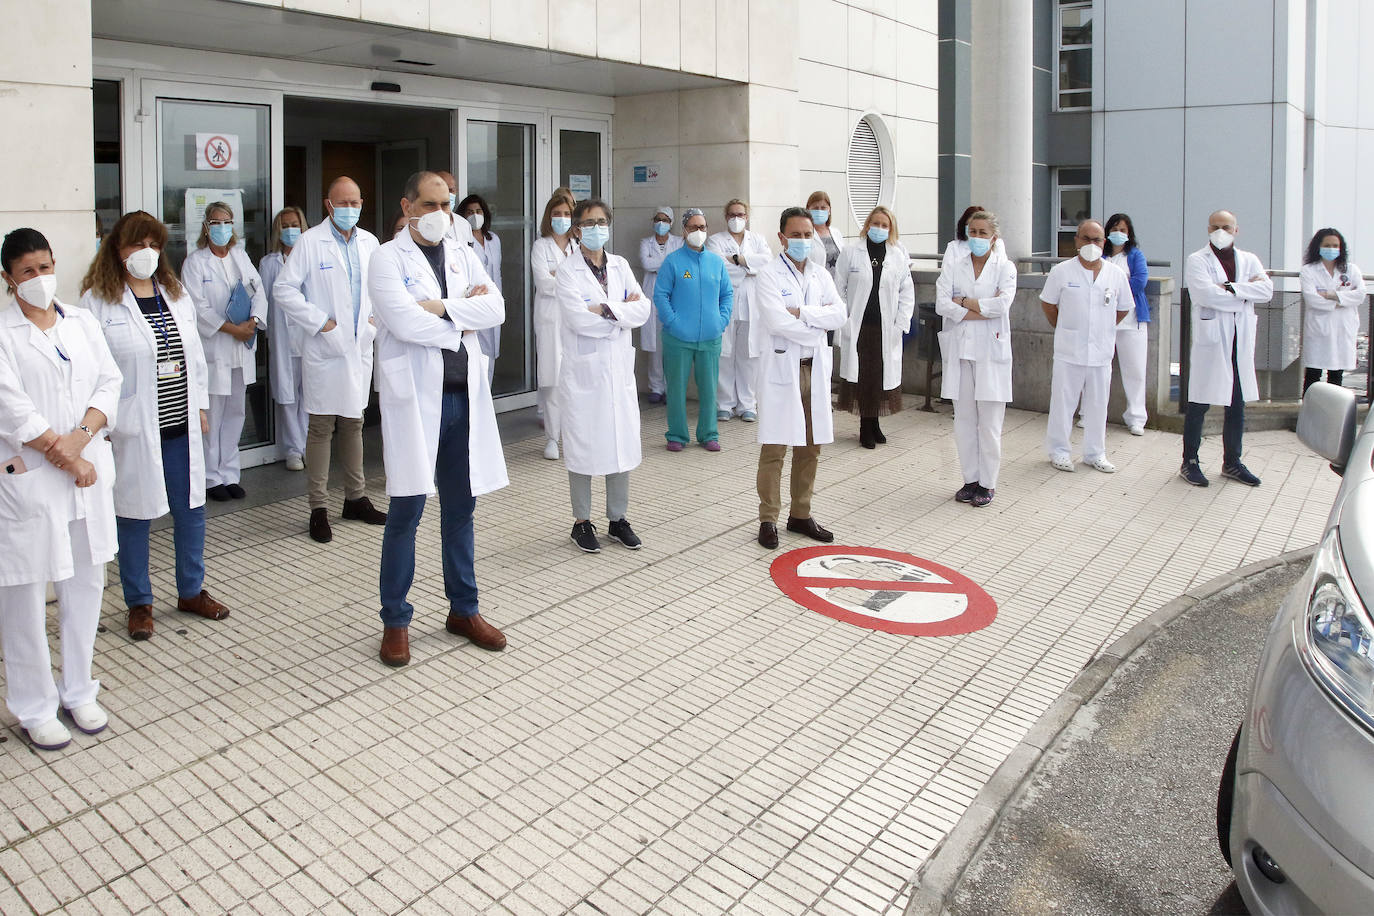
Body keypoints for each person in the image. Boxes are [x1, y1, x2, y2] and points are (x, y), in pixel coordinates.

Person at [368, 170, 508, 667]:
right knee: (406, 510)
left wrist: (439, 308)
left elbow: (496, 308)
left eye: (446, 205)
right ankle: (395, 620)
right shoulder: (385, 258)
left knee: (461, 509)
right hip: (416, 402)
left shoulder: (461, 250)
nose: (440, 216)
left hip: (463, 398)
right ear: (407, 208)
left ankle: (463, 609)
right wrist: (459, 318)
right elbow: (402, 321)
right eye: (429, 206)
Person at [81, 210, 230, 641]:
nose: (145, 253)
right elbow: (93, 371)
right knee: (133, 515)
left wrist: (199, 404)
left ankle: (191, 590)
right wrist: (100, 422)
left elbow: (194, 355)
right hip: (131, 426)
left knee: (191, 509)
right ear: (116, 248)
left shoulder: (175, 292)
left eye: (153, 244)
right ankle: (139, 602)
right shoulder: (97, 301)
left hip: (179, 421)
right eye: (136, 244)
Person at [0, 228, 120, 749]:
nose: (40, 279)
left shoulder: (82, 321)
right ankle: (32, 703)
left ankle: (78, 688)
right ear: (8, 278)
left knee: (85, 584)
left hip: (86, 467)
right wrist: (66, 456)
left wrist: (80, 440)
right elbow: (13, 408)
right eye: (28, 271)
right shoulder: (3, 333)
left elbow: (109, 382)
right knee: (25, 594)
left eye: (45, 267)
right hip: (34, 476)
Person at [272, 177, 386, 544]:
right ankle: (318, 507)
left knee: (354, 422)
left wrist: (373, 323)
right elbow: (284, 290)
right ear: (328, 205)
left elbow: (386, 289)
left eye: (356, 201)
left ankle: (355, 497)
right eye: (343, 202)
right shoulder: (309, 243)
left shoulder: (371, 243)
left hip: (358, 346)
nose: (350, 208)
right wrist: (321, 322)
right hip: (325, 347)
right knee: (321, 427)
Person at [554, 198, 651, 553]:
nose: (597, 228)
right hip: (585, 374)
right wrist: (619, 314)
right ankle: (581, 521)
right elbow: (578, 319)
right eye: (589, 223)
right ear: (577, 230)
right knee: (582, 445)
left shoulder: (621, 265)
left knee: (620, 443)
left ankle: (617, 519)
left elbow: (642, 309)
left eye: (602, 221)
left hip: (617, 370)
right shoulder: (567, 270)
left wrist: (605, 310)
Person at [753, 207, 848, 549]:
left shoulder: (821, 275)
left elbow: (840, 314)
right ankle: (768, 518)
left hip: (814, 368)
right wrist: (815, 326)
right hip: (783, 368)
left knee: (811, 445)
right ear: (781, 238)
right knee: (775, 446)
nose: (803, 241)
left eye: (808, 235)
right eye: (796, 235)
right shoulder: (768, 275)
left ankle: (801, 514)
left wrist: (805, 314)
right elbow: (778, 322)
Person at [1180, 210, 1273, 487]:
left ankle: (1232, 462)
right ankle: (1190, 461)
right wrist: (1244, 293)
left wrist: (1229, 288)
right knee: (1199, 402)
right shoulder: (1197, 260)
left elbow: (1267, 291)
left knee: (1236, 403)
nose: (1221, 230)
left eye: (1226, 226)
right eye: (1216, 226)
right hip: (1213, 340)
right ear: (1208, 228)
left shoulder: (1249, 259)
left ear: (1236, 230)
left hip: (1239, 340)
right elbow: (1204, 294)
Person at [181, 201, 267, 501]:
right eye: (216, 222)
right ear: (206, 226)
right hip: (216, 347)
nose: (222, 227)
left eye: (227, 221)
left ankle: (230, 473)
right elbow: (198, 308)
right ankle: (210, 477)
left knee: (236, 412)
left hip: (241, 347)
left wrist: (254, 320)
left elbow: (258, 290)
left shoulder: (240, 256)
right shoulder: (195, 262)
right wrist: (233, 329)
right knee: (213, 414)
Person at [935, 209, 1017, 507]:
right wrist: (980, 308)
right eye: (973, 232)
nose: (977, 237)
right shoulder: (955, 264)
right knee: (964, 420)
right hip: (961, 348)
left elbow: (1002, 305)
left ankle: (988, 483)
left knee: (990, 423)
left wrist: (965, 303)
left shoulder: (1005, 267)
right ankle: (970, 479)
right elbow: (943, 303)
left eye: (983, 233)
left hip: (991, 351)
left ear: (994, 238)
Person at [1041, 219, 1131, 474]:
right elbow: (1048, 304)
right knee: (1063, 403)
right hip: (1069, 350)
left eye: (1097, 240)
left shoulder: (1115, 274)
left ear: (1104, 242)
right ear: (1076, 241)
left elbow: (1123, 307)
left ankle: (1095, 453)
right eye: (1086, 239)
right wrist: (1066, 328)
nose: (1092, 244)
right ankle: (1059, 451)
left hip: (1101, 351)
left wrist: (1101, 328)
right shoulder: (1062, 271)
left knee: (1098, 405)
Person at [653, 208, 733, 451]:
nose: (699, 232)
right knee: (676, 389)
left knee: (709, 389)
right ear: (684, 230)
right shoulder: (673, 262)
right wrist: (673, 322)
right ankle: (676, 435)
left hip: (710, 337)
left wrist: (721, 320)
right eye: (694, 227)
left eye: (703, 228)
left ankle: (709, 434)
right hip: (678, 338)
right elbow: (661, 295)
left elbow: (727, 294)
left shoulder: (715, 262)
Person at [835, 205, 915, 448]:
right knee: (864, 377)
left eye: (884, 225)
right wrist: (844, 320)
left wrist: (900, 324)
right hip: (859, 326)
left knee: (880, 377)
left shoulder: (897, 255)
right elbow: (838, 288)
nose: (879, 228)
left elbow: (907, 292)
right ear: (867, 224)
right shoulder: (851, 252)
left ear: (891, 229)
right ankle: (865, 428)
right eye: (875, 223)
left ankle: (875, 423)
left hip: (885, 327)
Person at [707, 199, 771, 423]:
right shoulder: (715, 241)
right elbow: (718, 269)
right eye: (732, 214)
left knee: (748, 355)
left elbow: (766, 264)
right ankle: (724, 403)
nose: (737, 218)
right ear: (726, 217)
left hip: (752, 304)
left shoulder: (758, 240)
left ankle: (747, 403)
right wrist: (748, 268)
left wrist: (738, 260)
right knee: (725, 353)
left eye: (741, 214)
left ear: (747, 216)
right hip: (725, 303)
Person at [260, 206, 308, 470]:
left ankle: (307, 445)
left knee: (309, 395)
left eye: (295, 225)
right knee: (288, 396)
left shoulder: (309, 257)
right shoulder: (270, 264)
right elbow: (264, 300)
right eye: (285, 226)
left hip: (308, 336)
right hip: (282, 339)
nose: (291, 230)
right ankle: (293, 449)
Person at [532, 190, 578, 460]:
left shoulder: (579, 246)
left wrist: (558, 276)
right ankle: (552, 437)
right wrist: (568, 279)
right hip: (550, 320)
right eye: (557, 214)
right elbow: (543, 283)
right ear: (549, 217)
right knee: (552, 379)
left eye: (567, 214)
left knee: (575, 378)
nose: (562, 218)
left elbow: (586, 281)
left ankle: (573, 435)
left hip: (574, 318)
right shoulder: (541, 246)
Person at [1300, 227, 1365, 394]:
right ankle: (1308, 413)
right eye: (1327, 245)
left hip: (1343, 328)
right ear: (1318, 247)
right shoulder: (1309, 271)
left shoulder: (1351, 270)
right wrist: (1342, 300)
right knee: (1313, 373)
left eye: (1335, 245)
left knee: (1337, 374)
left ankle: (1334, 415)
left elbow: (1360, 295)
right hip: (1319, 329)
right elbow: (1312, 299)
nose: (1332, 249)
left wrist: (1331, 295)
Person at [1103, 213, 1151, 435]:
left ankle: (1136, 418)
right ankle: (1089, 413)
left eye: (1123, 229)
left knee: (1135, 370)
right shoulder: (1101, 256)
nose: (1118, 233)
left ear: (1129, 233)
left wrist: (1114, 292)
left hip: (1132, 321)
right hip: (1104, 320)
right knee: (1097, 368)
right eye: (1114, 229)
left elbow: (1140, 281)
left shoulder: (1134, 255)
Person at [637, 206, 681, 404]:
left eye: (665, 219)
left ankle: (670, 386)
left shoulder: (679, 242)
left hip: (673, 296)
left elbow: (678, 265)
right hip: (652, 294)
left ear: (671, 223)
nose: (661, 223)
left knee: (671, 344)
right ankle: (656, 387)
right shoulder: (645, 242)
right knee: (654, 345)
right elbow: (646, 265)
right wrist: (668, 262)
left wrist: (661, 263)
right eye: (657, 219)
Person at [458, 193, 503, 385]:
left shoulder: (493, 239)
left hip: (492, 300)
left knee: (491, 355)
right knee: (476, 355)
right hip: (473, 302)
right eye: (469, 212)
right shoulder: (461, 241)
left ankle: (488, 400)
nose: (475, 215)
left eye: (478, 211)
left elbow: (497, 271)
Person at [805, 191, 845, 280]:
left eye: (823, 208)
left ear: (829, 210)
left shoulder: (836, 233)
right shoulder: (804, 235)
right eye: (815, 208)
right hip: (815, 285)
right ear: (808, 210)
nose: (819, 211)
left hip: (836, 287)